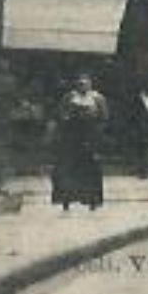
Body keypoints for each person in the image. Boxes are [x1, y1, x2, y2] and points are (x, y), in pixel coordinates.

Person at [51, 74, 109, 211]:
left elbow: (105, 118)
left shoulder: (98, 98)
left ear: (91, 84)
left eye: (86, 83)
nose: (83, 86)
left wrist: (95, 125)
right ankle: (67, 200)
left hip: (91, 138)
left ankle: (92, 200)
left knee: (91, 169)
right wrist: (69, 116)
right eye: (80, 83)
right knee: (69, 168)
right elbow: (61, 115)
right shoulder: (69, 98)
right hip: (72, 138)